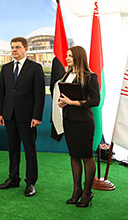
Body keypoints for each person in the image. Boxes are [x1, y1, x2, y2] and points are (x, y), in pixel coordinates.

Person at [0, 37, 45, 196]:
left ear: (26, 48)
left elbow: (40, 94)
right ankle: (13, 178)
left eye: (17, 47)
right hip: (9, 115)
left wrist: (37, 116)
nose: (14, 50)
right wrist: (1, 113)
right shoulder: (5, 68)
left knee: (30, 150)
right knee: (13, 149)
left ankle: (31, 182)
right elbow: (2, 93)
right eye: (12, 47)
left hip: (28, 117)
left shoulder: (35, 68)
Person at [58, 46, 100, 207]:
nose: (67, 58)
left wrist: (72, 102)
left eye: (70, 56)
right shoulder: (67, 75)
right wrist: (62, 103)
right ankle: (77, 191)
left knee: (86, 156)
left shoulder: (90, 77)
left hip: (84, 122)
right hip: (68, 120)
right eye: (67, 55)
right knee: (74, 156)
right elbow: (65, 97)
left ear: (78, 57)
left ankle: (87, 193)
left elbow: (95, 101)